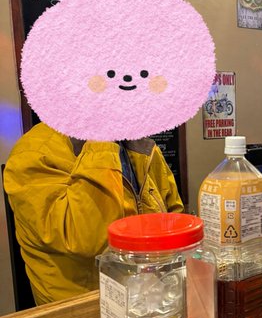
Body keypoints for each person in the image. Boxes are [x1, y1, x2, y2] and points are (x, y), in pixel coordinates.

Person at [4, 122, 183, 306]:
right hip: (80, 311)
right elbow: (85, 239)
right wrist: (101, 136)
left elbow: (173, 214)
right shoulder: (34, 152)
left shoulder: (138, 144)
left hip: (148, 302)